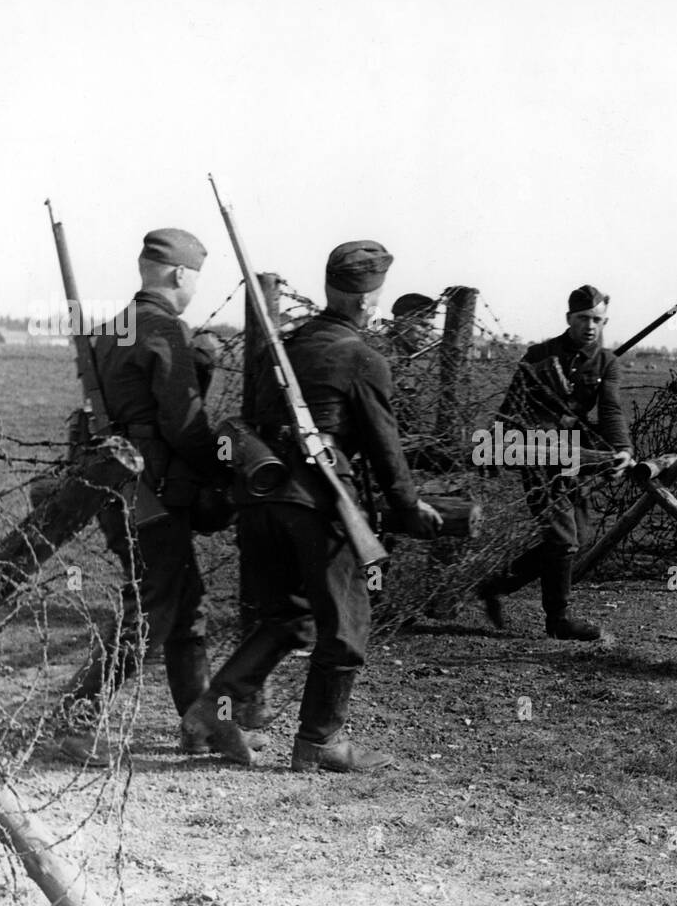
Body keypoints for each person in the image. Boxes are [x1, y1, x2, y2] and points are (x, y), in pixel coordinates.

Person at [181, 240, 443, 772]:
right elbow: (384, 446)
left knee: (288, 619)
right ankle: (320, 740)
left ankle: (210, 710)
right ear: (369, 302)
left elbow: (250, 419)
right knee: (347, 624)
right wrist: (409, 506)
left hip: (260, 498)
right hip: (318, 503)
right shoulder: (363, 358)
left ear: (330, 290)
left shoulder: (284, 347)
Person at [57, 229, 230, 764]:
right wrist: (222, 469)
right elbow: (184, 425)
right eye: (196, 276)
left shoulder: (112, 328)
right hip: (149, 493)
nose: (197, 286)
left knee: (186, 609)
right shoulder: (163, 328)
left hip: (119, 486)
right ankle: (75, 720)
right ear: (181, 274)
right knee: (152, 610)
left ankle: (201, 725)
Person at [477, 284, 635, 640]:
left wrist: (622, 447)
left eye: (597, 319)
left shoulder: (606, 362)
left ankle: (495, 585)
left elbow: (610, 410)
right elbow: (512, 406)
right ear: (569, 319)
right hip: (535, 452)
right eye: (583, 319)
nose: (590, 326)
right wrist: (492, 444)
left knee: (577, 536)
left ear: (604, 320)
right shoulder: (538, 355)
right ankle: (558, 620)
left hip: (574, 455)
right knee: (563, 539)